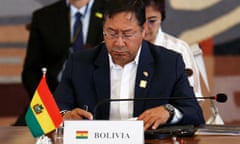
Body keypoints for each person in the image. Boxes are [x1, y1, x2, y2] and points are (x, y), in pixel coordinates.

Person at [54, 0, 205, 130]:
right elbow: (55, 110)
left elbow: (194, 113)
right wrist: (65, 116)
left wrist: (169, 112)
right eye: (111, 33)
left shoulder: (169, 63)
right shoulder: (80, 63)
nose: (119, 43)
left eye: (127, 34)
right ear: (103, 29)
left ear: (143, 30)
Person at [14, 0, 106, 126]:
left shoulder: (111, 11)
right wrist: (48, 104)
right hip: (52, 101)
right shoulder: (44, 16)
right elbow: (31, 71)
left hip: (99, 103)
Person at [143, 0, 203, 98]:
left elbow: (193, 99)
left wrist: (169, 111)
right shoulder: (121, 48)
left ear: (162, 17)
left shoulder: (178, 49)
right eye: (140, 20)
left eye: (152, 21)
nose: (145, 27)